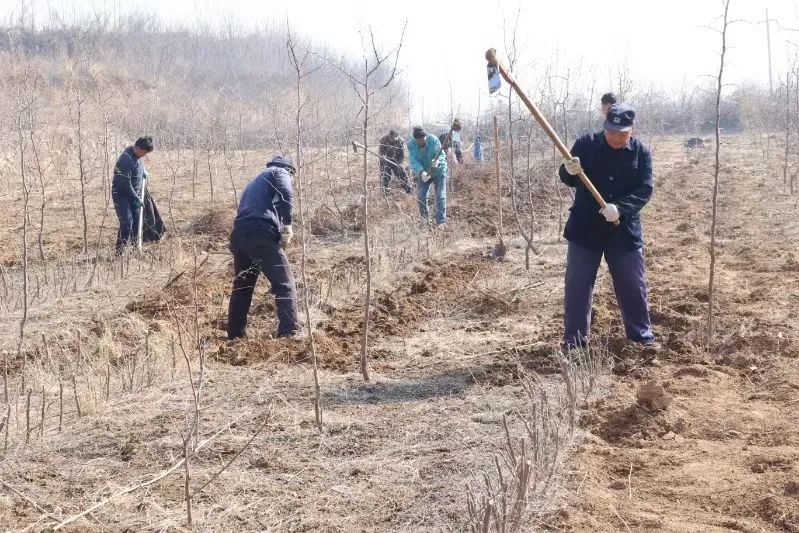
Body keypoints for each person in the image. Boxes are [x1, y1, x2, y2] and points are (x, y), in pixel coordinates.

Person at [559, 104, 655, 350]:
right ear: (605, 127)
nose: (615, 138)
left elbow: (645, 190)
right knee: (578, 286)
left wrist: (620, 208)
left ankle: (640, 337)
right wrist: (568, 170)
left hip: (622, 231)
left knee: (633, 285)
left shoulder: (641, 152)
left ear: (631, 131)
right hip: (585, 229)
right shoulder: (585, 144)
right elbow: (568, 178)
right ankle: (575, 343)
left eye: (621, 134)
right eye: (611, 132)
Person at [227, 155, 299, 340]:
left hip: (240, 235)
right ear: (290, 171)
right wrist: (287, 225)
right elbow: (286, 193)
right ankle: (289, 333)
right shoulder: (279, 172)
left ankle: (235, 334)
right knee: (285, 284)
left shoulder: (254, 183)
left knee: (243, 285)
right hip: (260, 233)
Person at [112, 136, 154, 255]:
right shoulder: (126, 160)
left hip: (134, 195)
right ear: (137, 148)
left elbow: (137, 168)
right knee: (127, 224)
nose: (145, 155)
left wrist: (142, 173)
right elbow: (125, 184)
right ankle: (120, 253)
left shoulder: (138, 155)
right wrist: (135, 198)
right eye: (144, 152)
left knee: (137, 223)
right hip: (122, 195)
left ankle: (135, 250)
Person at [408, 126, 448, 225]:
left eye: (422, 140)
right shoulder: (411, 144)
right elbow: (413, 160)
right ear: (415, 140)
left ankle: (441, 222)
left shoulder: (433, 140)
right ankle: (425, 221)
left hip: (439, 170)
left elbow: (441, 154)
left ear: (425, 137)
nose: (420, 142)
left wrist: (437, 161)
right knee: (421, 196)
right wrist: (421, 172)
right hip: (424, 172)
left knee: (440, 196)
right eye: (418, 141)